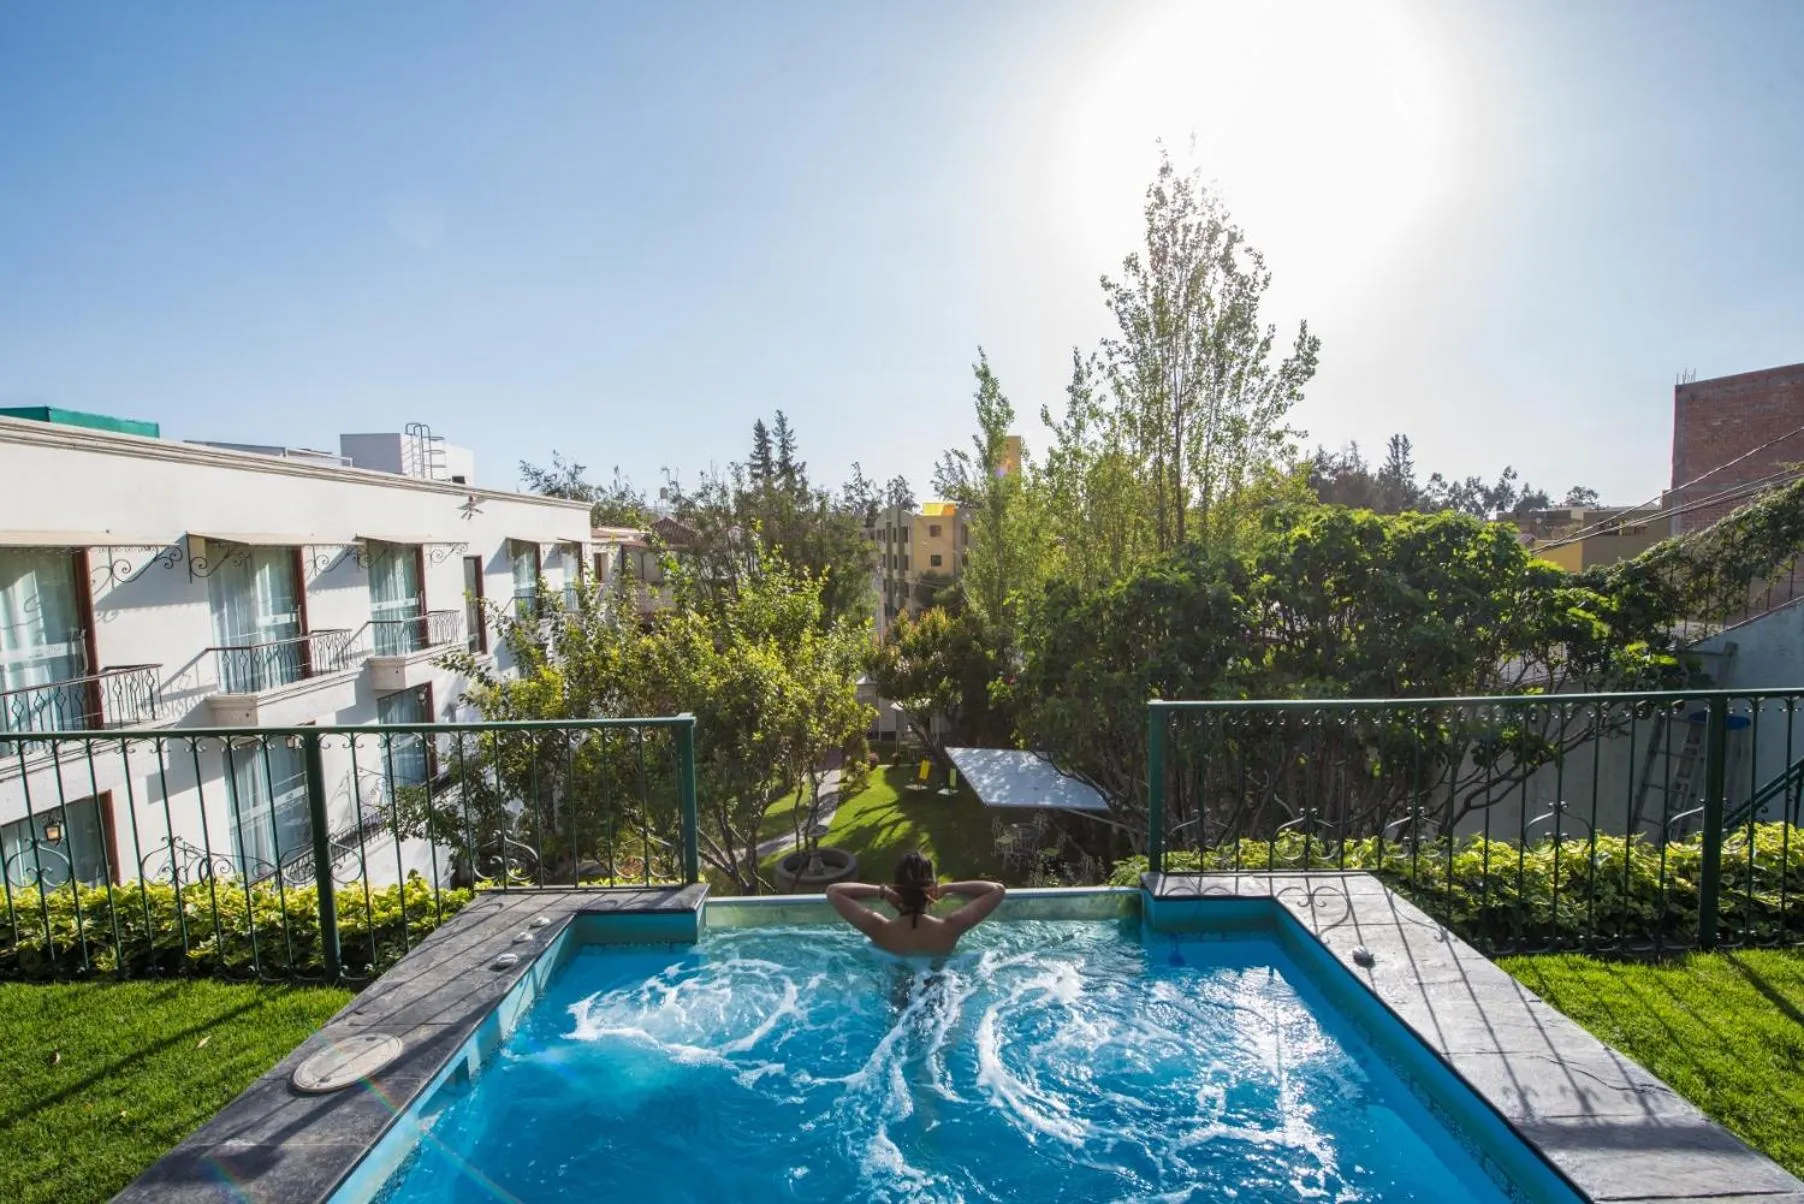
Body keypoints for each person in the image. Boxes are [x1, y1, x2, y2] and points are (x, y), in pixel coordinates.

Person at [825, 851, 1005, 956]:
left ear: (897, 887)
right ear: (932, 887)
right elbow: (996, 890)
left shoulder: (879, 928)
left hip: (898, 1002)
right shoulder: (951, 927)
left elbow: (833, 891)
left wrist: (882, 891)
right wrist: (946, 888)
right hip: (942, 1000)